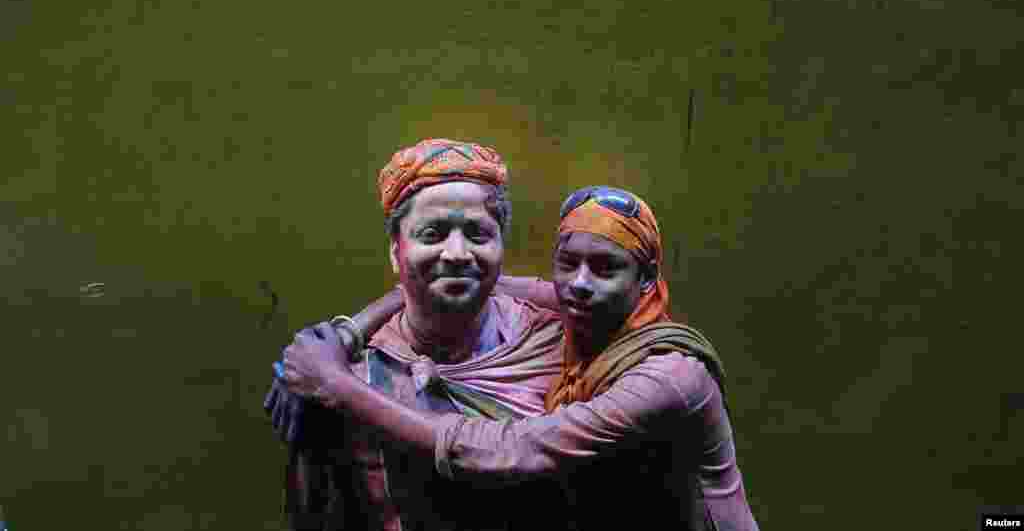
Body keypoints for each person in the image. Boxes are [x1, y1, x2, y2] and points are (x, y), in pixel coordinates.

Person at [281, 186, 760, 531]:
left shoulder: (670, 375)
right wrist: (345, 334)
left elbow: (515, 451)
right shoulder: (582, 311)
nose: (580, 283)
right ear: (397, 250)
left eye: (607, 267)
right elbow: (465, 277)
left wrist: (335, 384)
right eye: (568, 264)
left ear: (647, 280)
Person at [262, 138, 567, 531]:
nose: (457, 253)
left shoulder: (559, 344)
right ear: (395, 251)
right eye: (432, 234)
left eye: (478, 234)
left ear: (502, 246)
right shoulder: (349, 377)